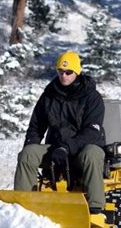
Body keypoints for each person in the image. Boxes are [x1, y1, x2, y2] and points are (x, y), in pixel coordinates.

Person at [13, 50, 107, 216]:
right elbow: (36, 126)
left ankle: (95, 207)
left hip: (83, 148)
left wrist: (67, 147)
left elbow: (92, 131)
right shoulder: (49, 96)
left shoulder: (92, 97)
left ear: (77, 72)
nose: (64, 76)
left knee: (92, 154)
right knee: (28, 153)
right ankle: (21, 204)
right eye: (60, 72)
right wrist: (31, 145)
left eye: (68, 72)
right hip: (56, 149)